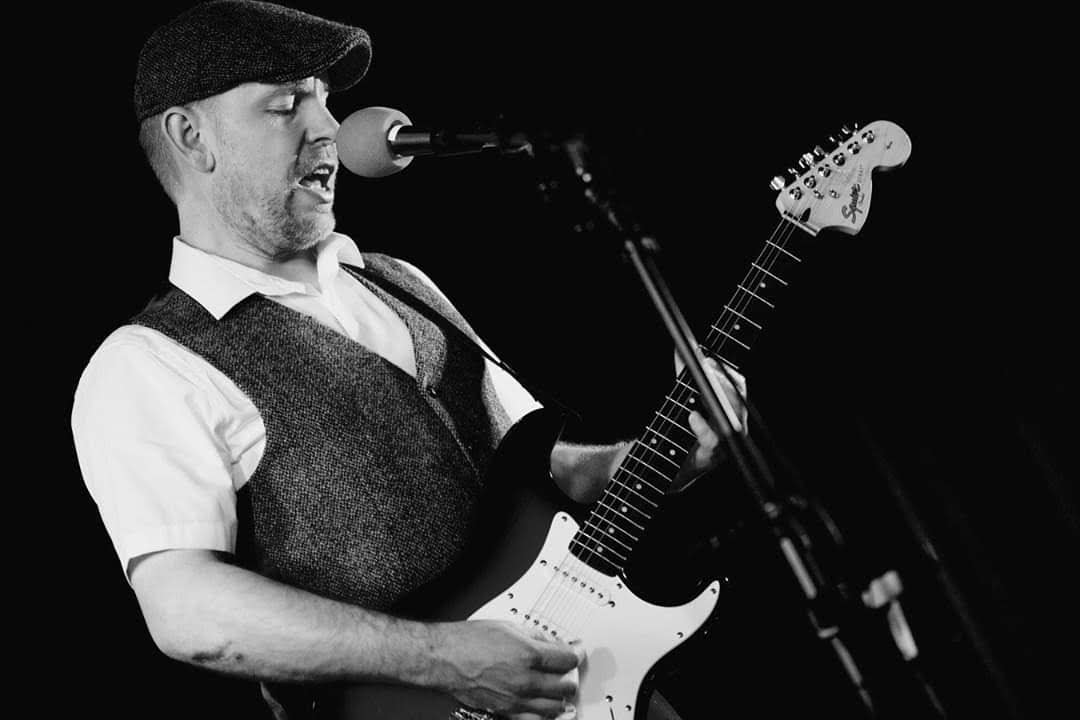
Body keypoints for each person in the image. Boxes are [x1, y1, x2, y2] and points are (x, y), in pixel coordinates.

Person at [70, 2, 745, 718]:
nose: (330, 129)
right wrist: (441, 659)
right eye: (287, 105)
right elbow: (186, 609)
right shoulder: (148, 363)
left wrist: (661, 456)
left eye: (326, 101)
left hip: (587, 685)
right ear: (191, 136)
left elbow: (536, 469)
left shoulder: (401, 283)